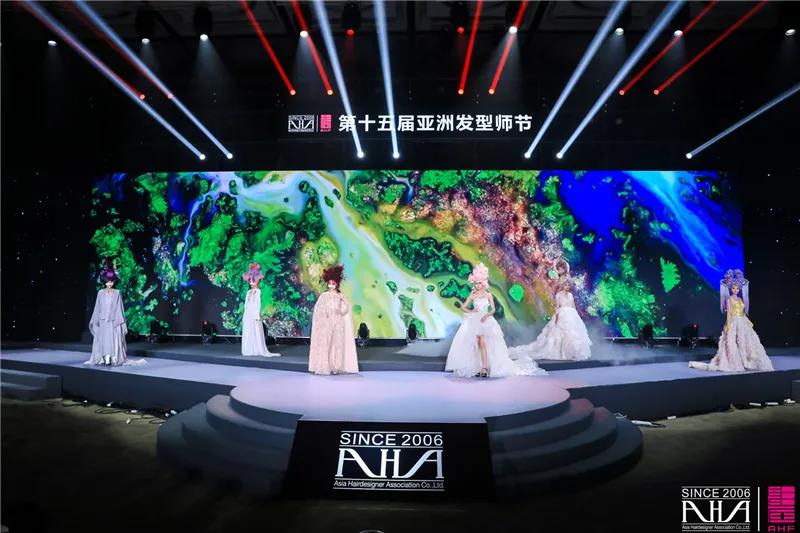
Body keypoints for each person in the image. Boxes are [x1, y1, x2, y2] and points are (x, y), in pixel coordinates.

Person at [446, 263, 546, 378]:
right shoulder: (472, 295)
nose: (478, 285)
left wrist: (487, 315)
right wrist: (472, 311)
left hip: (486, 320)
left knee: (483, 343)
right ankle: (479, 366)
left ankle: (484, 367)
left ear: (483, 282)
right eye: (476, 283)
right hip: (475, 320)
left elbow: (493, 309)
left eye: (480, 283)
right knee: (477, 344)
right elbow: (463, 307)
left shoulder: (488, 295)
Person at [689, 269, 774, 372]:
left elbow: (742, 312)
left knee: (746, 341)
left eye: (737, 288)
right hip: (734, 322)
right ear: (730, 289)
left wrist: (747, 322)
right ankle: (736, 362)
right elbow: (729, 313)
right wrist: (728, 325)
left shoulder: (740, 299)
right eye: (733, 288)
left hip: (742, 322)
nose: (735, 290)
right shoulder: (729, 299)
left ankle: (746, 360)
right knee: (732, 341)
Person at [509, 279, 592, 361]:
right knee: (560, 333)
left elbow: (573, 306)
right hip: (562, 314)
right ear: (562, 286)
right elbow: (557, 307)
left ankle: (573, 353)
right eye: (565, 285)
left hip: (571, 315)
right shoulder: (558, 295)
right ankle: (561, 353)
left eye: (568, 285)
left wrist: (576, 317)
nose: (567, 286)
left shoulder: (570, 295)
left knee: (573, 334)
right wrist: (557, 317)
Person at [308, 265, 359, 375]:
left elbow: (348, 306)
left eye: (333, 283)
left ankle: (336, 366)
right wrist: (324, 315)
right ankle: (325, 365)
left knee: (337, 344)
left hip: (338, 322)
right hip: (327, 322)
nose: (331, 285)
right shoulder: (324, 295)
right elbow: (318, 308)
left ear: (337, 284)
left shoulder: (340, 295)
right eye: (329, 283)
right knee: (327, 343)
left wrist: (342, 312)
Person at [86, 258, 129, 366]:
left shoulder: (117, 292)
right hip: (103, 319)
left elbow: (119, 307)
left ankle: (113, 357)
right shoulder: (100, 293)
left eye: (111, 281)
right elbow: (97, 307)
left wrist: (119, 321)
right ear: (105, 281)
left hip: (113, 319)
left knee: (113, 339)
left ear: (114, 281)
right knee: (104, 339)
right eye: (107, 281)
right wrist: (96, 320)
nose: (109, 284)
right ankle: (105, 357)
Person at [241, 263, 279, 357]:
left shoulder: (258, 291)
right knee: (249, 329)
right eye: (250, 281)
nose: (251, 282)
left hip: (254, 313)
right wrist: (245, 314)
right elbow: (246, 304)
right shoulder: (249, 292)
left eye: (253, 281)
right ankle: (250, 348)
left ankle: (257, 348)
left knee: (256, 329)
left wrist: (257, 314)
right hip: (249, 313)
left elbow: (257, 303)